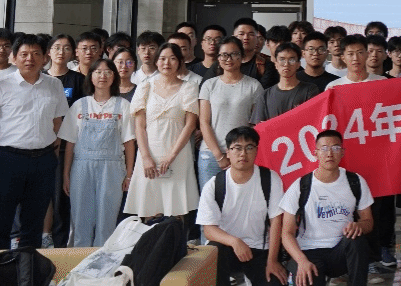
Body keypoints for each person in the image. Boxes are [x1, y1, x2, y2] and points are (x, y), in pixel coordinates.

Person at [0, 33, 67, 248]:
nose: (30, 59)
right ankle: (0, 265)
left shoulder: (54, 85)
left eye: (36, 53)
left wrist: (52, 158)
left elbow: (58, 123)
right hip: (8, 160)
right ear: (14, 57)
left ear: (45, 57)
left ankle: (28, 266)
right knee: (1, 221)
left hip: (43, 161)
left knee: (34, 223)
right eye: (24, 54)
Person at [281, 130, 374, 286]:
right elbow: (286, 233)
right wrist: (301, 261)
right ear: (315, 153)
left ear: (342, 152)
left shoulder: (355, 181)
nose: (330, 153)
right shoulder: (301, 185)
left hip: (340, 251)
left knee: (357, 241)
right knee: (307, 278)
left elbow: (368, 222)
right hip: (309, 252)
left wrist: (359, 226)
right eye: (324, 148)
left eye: (335, 148)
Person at [197, 127, 288, 286]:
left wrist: (272, 261)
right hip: (227, 248)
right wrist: (235, 242)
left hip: (260, 249)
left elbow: (276, 222)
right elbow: (209, 230)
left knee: (276, 281)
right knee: (213, 254)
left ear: (256, 150)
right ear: (228, 152)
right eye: (237, 148)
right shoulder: (215, 185)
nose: (243, 153)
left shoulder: (270, 178)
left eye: (249, 148)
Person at [60, 58, 135, 247]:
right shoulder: (79, 105)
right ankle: (79, 260)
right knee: (80, 219)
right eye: (98, 72)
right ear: (90, 77)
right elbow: (70, 143)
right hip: (81, 166)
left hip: (112, 168)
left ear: (114, 77)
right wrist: (66, 174)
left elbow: (129, 142)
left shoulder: (123, 105)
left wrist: (129, 174)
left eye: (108, 72)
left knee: (107, 220)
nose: (103, 76)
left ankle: (103, 260)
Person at [125, 42, 200, 218]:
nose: (167, 63)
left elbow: (190, 125)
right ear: (156, 61)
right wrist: (146, 157)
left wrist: (171, 156)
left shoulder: (189, 87)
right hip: (149, 153)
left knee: (176, 210)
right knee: (148, 208)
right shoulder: (145, 86)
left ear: (180, 61)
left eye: (172, 58)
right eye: (163, 58)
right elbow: (139, 126)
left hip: (178, 154)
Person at [199, 37, 265, 191]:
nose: (228, 59)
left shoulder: (254, 86)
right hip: (211, 155)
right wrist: (219, 156)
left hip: (242, 155)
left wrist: (241, 152)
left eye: (234, 54)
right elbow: (204, 122)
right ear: (218, 58)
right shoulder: (209, 85)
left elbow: (255, 124)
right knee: (210, 200)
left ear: (242, 57)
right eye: (224, 55)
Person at [251, 43, 321, 124]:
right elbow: (258, 127)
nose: (286, 64)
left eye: (291, 60)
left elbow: (314, 121)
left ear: (298, 64)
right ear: (276, 64)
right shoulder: (265, 96)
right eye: (282, 60)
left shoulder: (310, 90)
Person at [46, 34, 83, 105]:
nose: (61, 52)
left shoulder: (79, 80)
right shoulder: (39, 77)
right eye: (57, 48)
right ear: (49, 52)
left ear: (72, 53)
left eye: (67, 48)